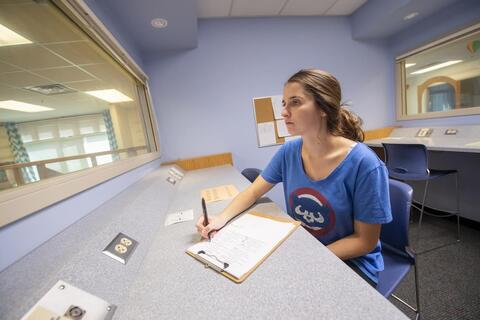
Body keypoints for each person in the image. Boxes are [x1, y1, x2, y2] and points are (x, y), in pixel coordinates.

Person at [196, 69, 392, 285]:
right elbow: (253, 191)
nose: (284, 112)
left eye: (295, 102)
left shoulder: (365, 164)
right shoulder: (289, 152)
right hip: (306, 249)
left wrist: (309, 259)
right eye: (284, 103)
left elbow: (364, 241)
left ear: (323, 108)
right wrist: (220, 219)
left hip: (352, 264)